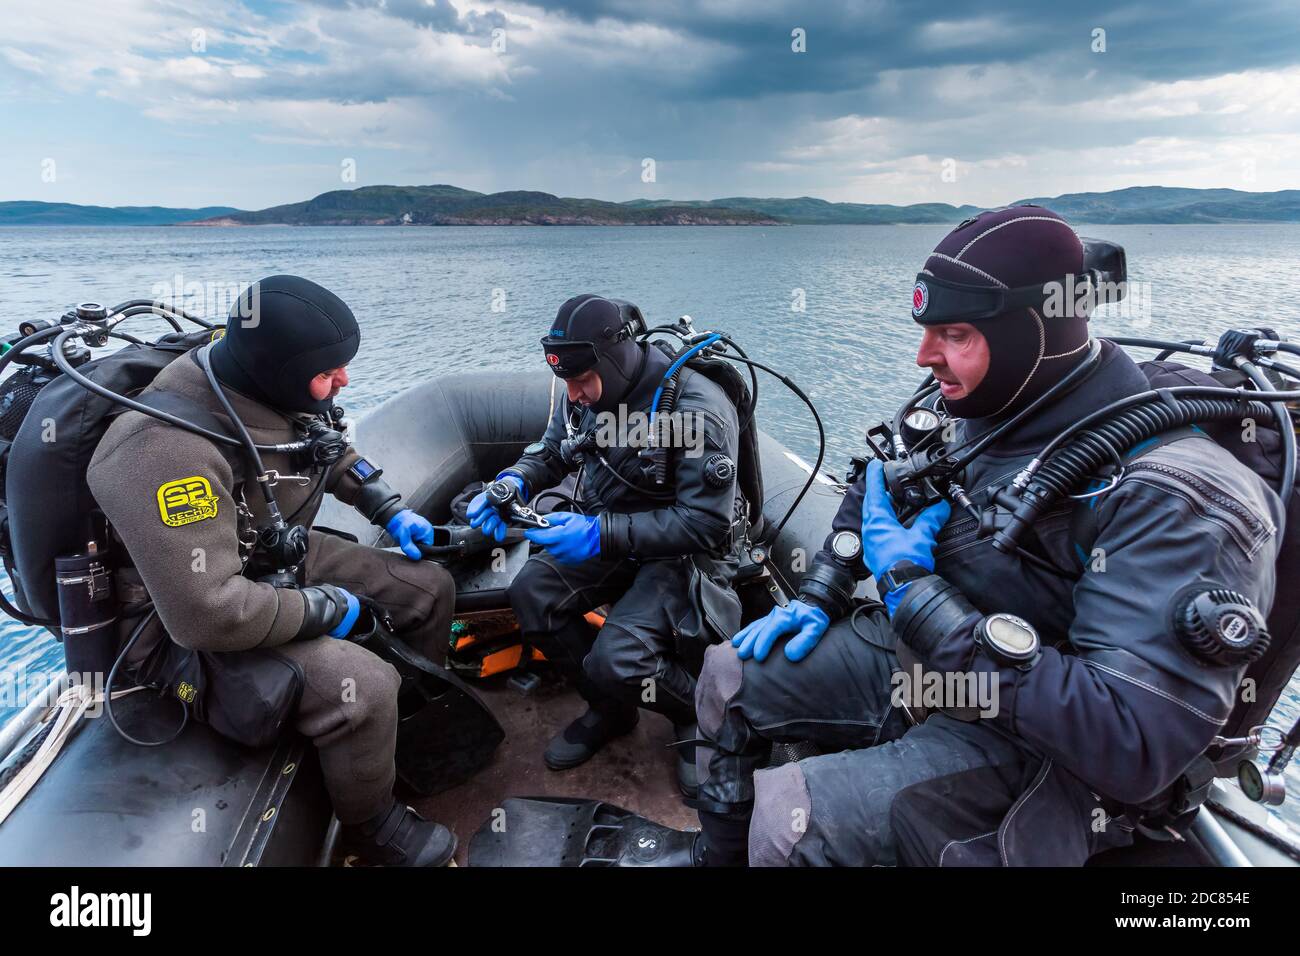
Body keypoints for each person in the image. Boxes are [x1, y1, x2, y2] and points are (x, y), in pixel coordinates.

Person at [690, 206, 1284, 866]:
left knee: (787, 822)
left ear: (1033, 334)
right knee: (726, 675)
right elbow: (884, 480)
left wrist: (914, 594)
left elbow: (1133, 740)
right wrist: (823, 588)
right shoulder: (989, 404)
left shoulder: (1178, 497)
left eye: (954, 333)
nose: (925, 356)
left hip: (1047, 749)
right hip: (937, 663)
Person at [88, 275, 459, 867]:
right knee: (362, 687)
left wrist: (388, 507)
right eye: (330, 372)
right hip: (177, 623)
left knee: (429, 589)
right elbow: (205, 614)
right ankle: (372, 823)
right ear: (279, 369)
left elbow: (322, 446)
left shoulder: (276, 388)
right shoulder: (162, 450)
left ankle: (402, 738)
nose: (344, 381)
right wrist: (329, 608)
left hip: (266, 554)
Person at [470, 294, 746, 794]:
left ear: (615, 363)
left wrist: (600, 534)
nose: (573, 394)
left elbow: (706, 524)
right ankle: (611, 710)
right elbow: (555, 448)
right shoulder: (583, 395)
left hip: (686, 550)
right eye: (566, 383)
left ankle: (697, 714)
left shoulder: (692, 410)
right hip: (614, 528)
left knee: (619, 658)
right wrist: (513, 482)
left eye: (581, 382)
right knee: (532, 593)